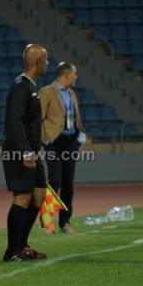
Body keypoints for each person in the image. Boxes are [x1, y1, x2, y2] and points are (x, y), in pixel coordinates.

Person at [1, 44, 49, 261]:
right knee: (22, 197)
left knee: (39, 196)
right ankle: (12, 251)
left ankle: (22, 245)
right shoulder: (21, 86)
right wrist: (26, 152)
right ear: (38, 62)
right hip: (20, 151)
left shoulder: (30, 86)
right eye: (46, 59)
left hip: (32, 151)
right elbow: (14, 121)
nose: (48, 63)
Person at [39, 62, 87, 234]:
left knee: (68, 183)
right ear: (66, 75)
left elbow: (75, 117)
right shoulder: (46, 92)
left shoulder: (72, 93)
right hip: (54, 142)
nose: (76, 77)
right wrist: (45, 139)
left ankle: (64, 222)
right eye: (74, 74)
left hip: (70, 142)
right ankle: (46, 222)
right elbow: (38, 118)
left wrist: (80, 136)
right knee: (54, 180)